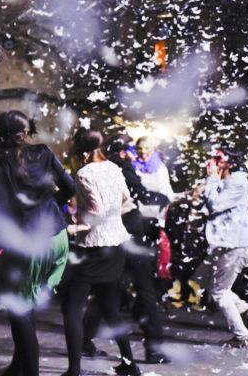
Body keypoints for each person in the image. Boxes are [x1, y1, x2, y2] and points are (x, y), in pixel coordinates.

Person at [0, 110, 74, 376]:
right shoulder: (43, 151)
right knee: (23, 302)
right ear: (27, 131)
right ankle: (18, 368)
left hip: (30, 243)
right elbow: (70, 187)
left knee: (18, 310)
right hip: (57, 237)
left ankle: (29, 372)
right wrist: (49, 206)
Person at [81, 134, 172, 364]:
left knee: (109, 289)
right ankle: (153, 348)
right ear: (122, 151)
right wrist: (163, 198)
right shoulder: (121, 168)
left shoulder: (90, 169)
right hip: (130, 231)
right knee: (144, 289)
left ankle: (84, 339)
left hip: (110, 235)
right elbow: (138, 193)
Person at [60, 128, 141, 376]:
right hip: (117, 245)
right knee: (109, 306)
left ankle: (74, 370)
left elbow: (95, 212)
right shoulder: (114, 168)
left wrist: (73, 225)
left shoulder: (84, 173)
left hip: (93, 247)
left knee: (71, 308)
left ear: (82, 151)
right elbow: (127, 200)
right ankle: (130, 365)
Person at [203, 147, 248, 347]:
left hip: (239, 244)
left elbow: (215, 204)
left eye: (218, 158)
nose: (212, 161)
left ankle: (241, 337)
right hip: (229, 243)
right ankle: (246, 308)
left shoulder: (237, 181)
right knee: (218, 287)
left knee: (219, 292)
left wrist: (211, 179)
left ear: (229, 163)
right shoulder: (228, 181)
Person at [132, 137, 175, 218]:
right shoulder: (132, 167)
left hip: (159, 211)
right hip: (139, 213)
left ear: (153, 149)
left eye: (147, 148)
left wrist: (170, 206)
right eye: (140, 149)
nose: (143, 152)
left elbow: (165, 188)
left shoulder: (160, 168)